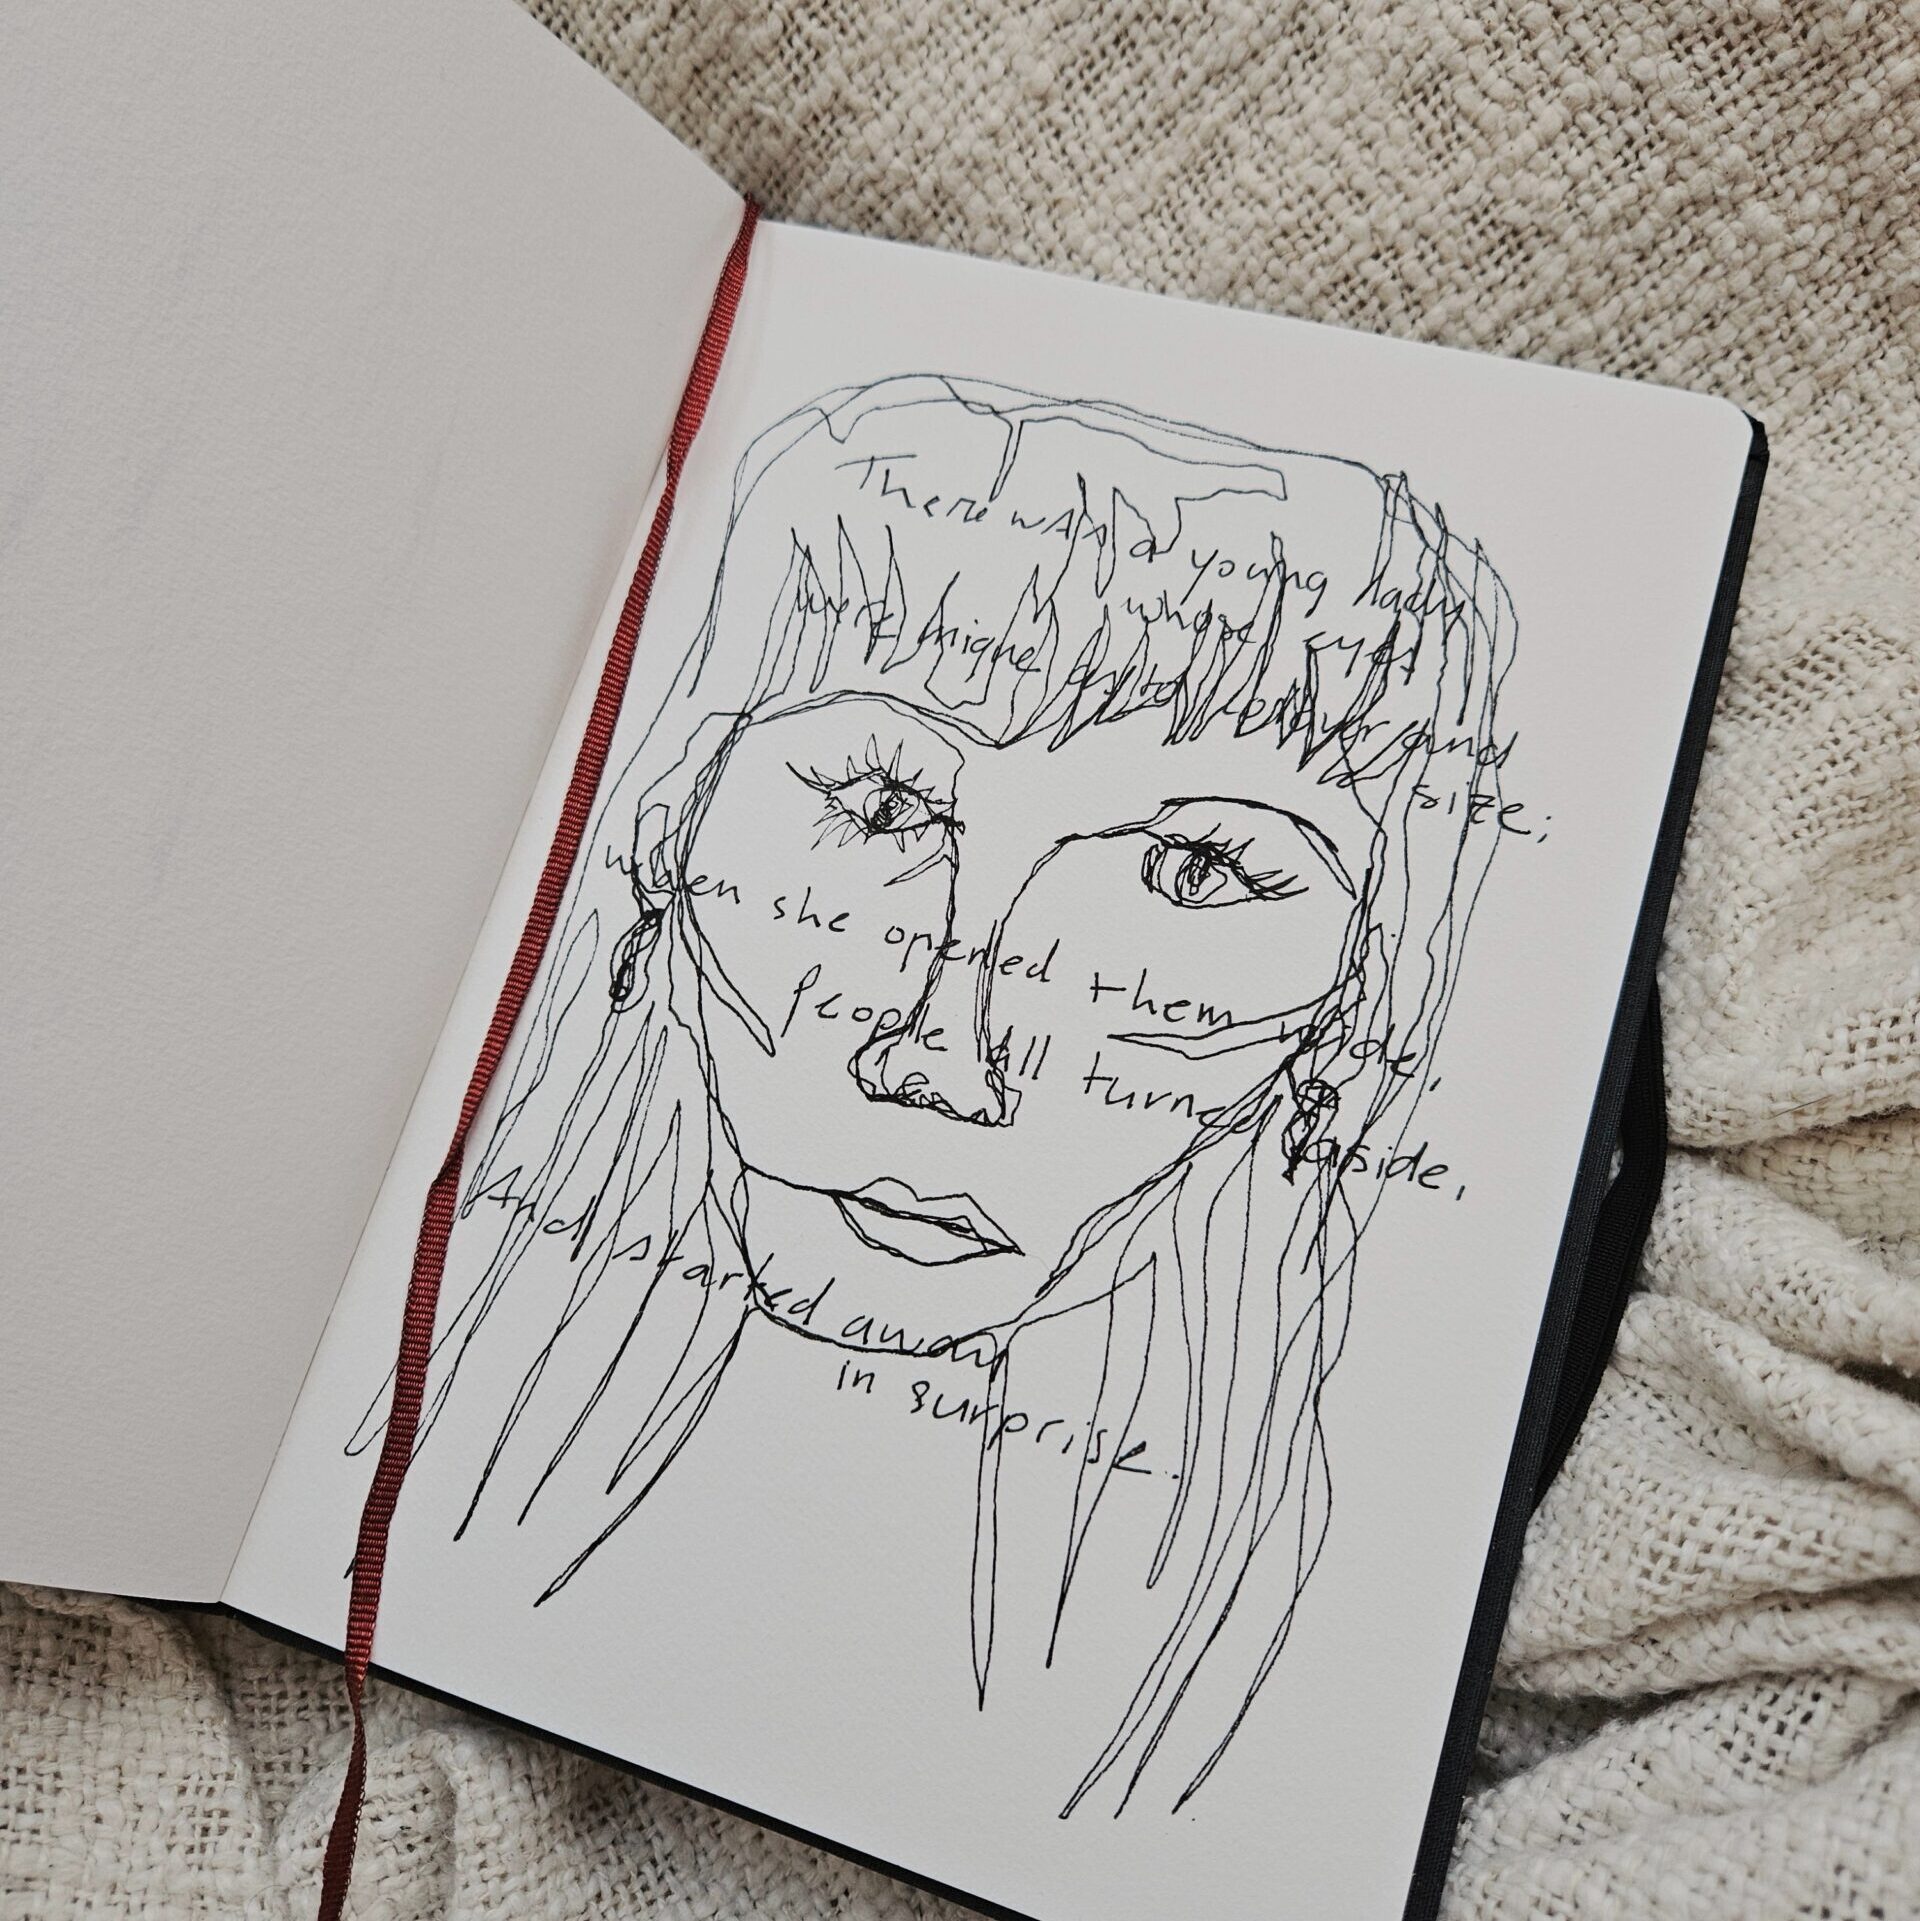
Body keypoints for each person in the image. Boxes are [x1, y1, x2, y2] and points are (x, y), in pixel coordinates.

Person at [350, 375, 1517, 1816]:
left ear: (1360, 1002)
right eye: (886, 808)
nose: (941, 1059)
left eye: (1193, 872)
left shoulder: (1268, 1708)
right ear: (664, 836)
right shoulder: (404, 1428)